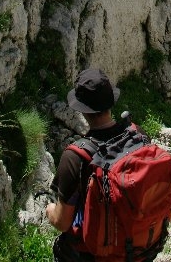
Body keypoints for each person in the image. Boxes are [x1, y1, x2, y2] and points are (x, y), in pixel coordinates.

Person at [46, 68, 129, 262]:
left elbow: (62, 222)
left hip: (95, 251)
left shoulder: (75, 157)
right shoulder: (137, 137)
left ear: (81, 109)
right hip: (136, 243)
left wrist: (50, 210)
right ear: (111, 102)